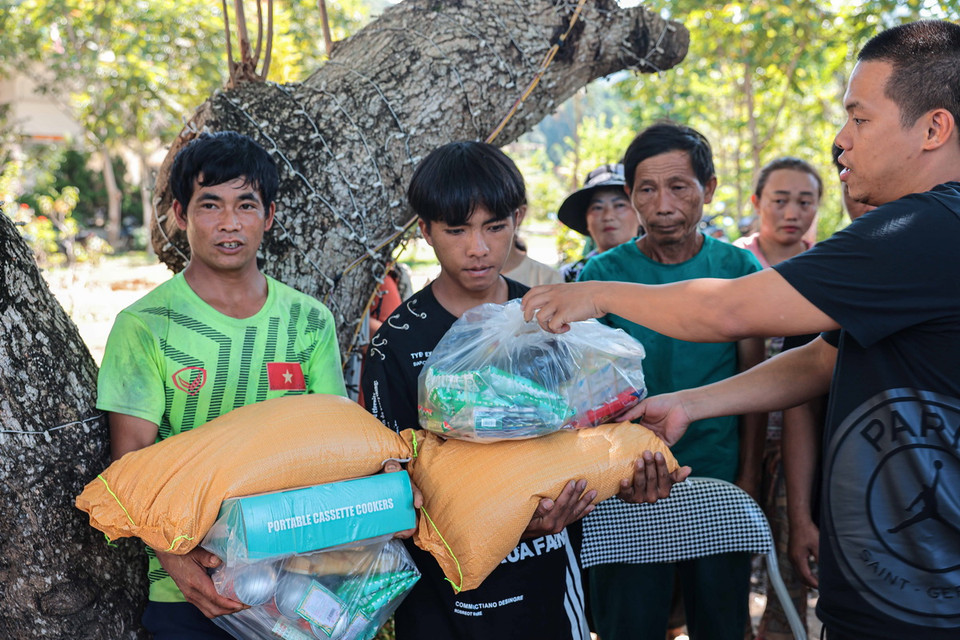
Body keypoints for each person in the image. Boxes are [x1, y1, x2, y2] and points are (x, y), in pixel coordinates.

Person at [522, 20, 960, 640]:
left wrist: (596, 293)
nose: (840, 140)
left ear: (934, 128)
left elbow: (727, 311)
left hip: (924, 604)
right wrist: (691, 403)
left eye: (859, 119)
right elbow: (822, 360)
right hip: (889, 587)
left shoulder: (924, 229)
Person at [361, 140, 686, 640]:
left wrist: (627, 476)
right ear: (424, 230)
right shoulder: (398, 343)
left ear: (517, 220)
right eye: (456, 230)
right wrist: (500, 518)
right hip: (442, 601)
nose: (478, 247)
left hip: (546, 585)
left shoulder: (552, 318)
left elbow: (592, 437)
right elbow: (392, 480)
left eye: (494, 227)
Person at [96, 131, 348, 639]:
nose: (229, 223)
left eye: (246, 205)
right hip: (189, 589)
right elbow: (131, 465)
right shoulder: (145, 325)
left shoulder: (308, 321)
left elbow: (336, 447)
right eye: (210, 205)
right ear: (180, 214)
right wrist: (178, 564)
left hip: (296, 580)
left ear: (269, 216)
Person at [575, 122, 766, 640]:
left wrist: (748, 478)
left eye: (679, 187)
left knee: (721, 623)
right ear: (631, 194)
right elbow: (585, 395)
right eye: (647, 189)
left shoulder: (739, 268)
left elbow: (756, 385)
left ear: (709, 188)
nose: (662, 205)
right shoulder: (601, 276)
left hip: (717, 480)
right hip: (626, 488)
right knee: (628, 624)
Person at [732, 157, 823, 640]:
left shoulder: (829, 264)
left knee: (794, 557)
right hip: (736, 436)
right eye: (780, 200)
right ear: (757, 202)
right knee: (730, 563)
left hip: (800, 439)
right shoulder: (734, 265)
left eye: (805, 202)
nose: (792, 212)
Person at [780, 145, 876, 596]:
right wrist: (800, 516)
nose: (861, 192)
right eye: (848, 173)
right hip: (844, 506)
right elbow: (802, 393)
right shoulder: (825, 273)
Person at [557, 163, 642, 282]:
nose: (608, 216)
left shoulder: (661, 269)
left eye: (619, 205)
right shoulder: (568, 277)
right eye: (597, 207)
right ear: (586, 220)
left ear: (640, 214)